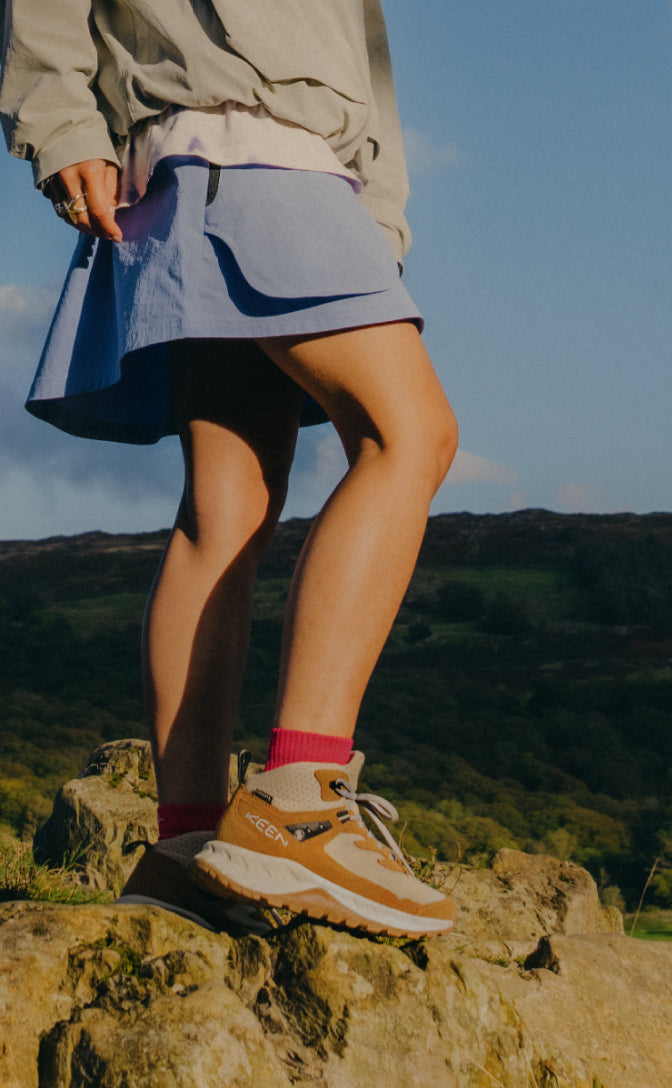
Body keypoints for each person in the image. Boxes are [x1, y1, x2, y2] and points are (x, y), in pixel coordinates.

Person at [0, 0, 458, 938]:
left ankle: (188, 848)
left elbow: (363, 60)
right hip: (247, 155)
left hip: (243, 171)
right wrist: (62, 125)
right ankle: (301, 800)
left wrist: (376, 220)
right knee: (409, 435)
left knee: (229, 506)